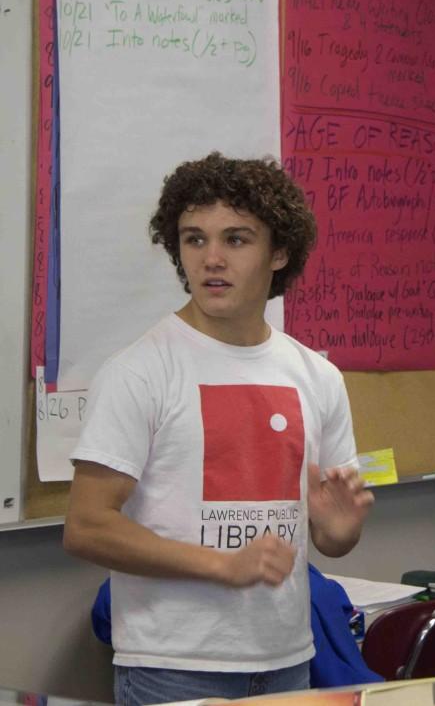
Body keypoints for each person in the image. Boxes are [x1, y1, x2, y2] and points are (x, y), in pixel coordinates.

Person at [64, 153, 375, 706]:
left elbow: (330, 540)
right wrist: (221, 565)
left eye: (236, 239)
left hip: (288, 661)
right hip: (173, 669)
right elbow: (87, 526)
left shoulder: (317, 376)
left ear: (279, 252)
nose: (211, 259)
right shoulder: (140, 371)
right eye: (194, 239)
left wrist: (341, 529)